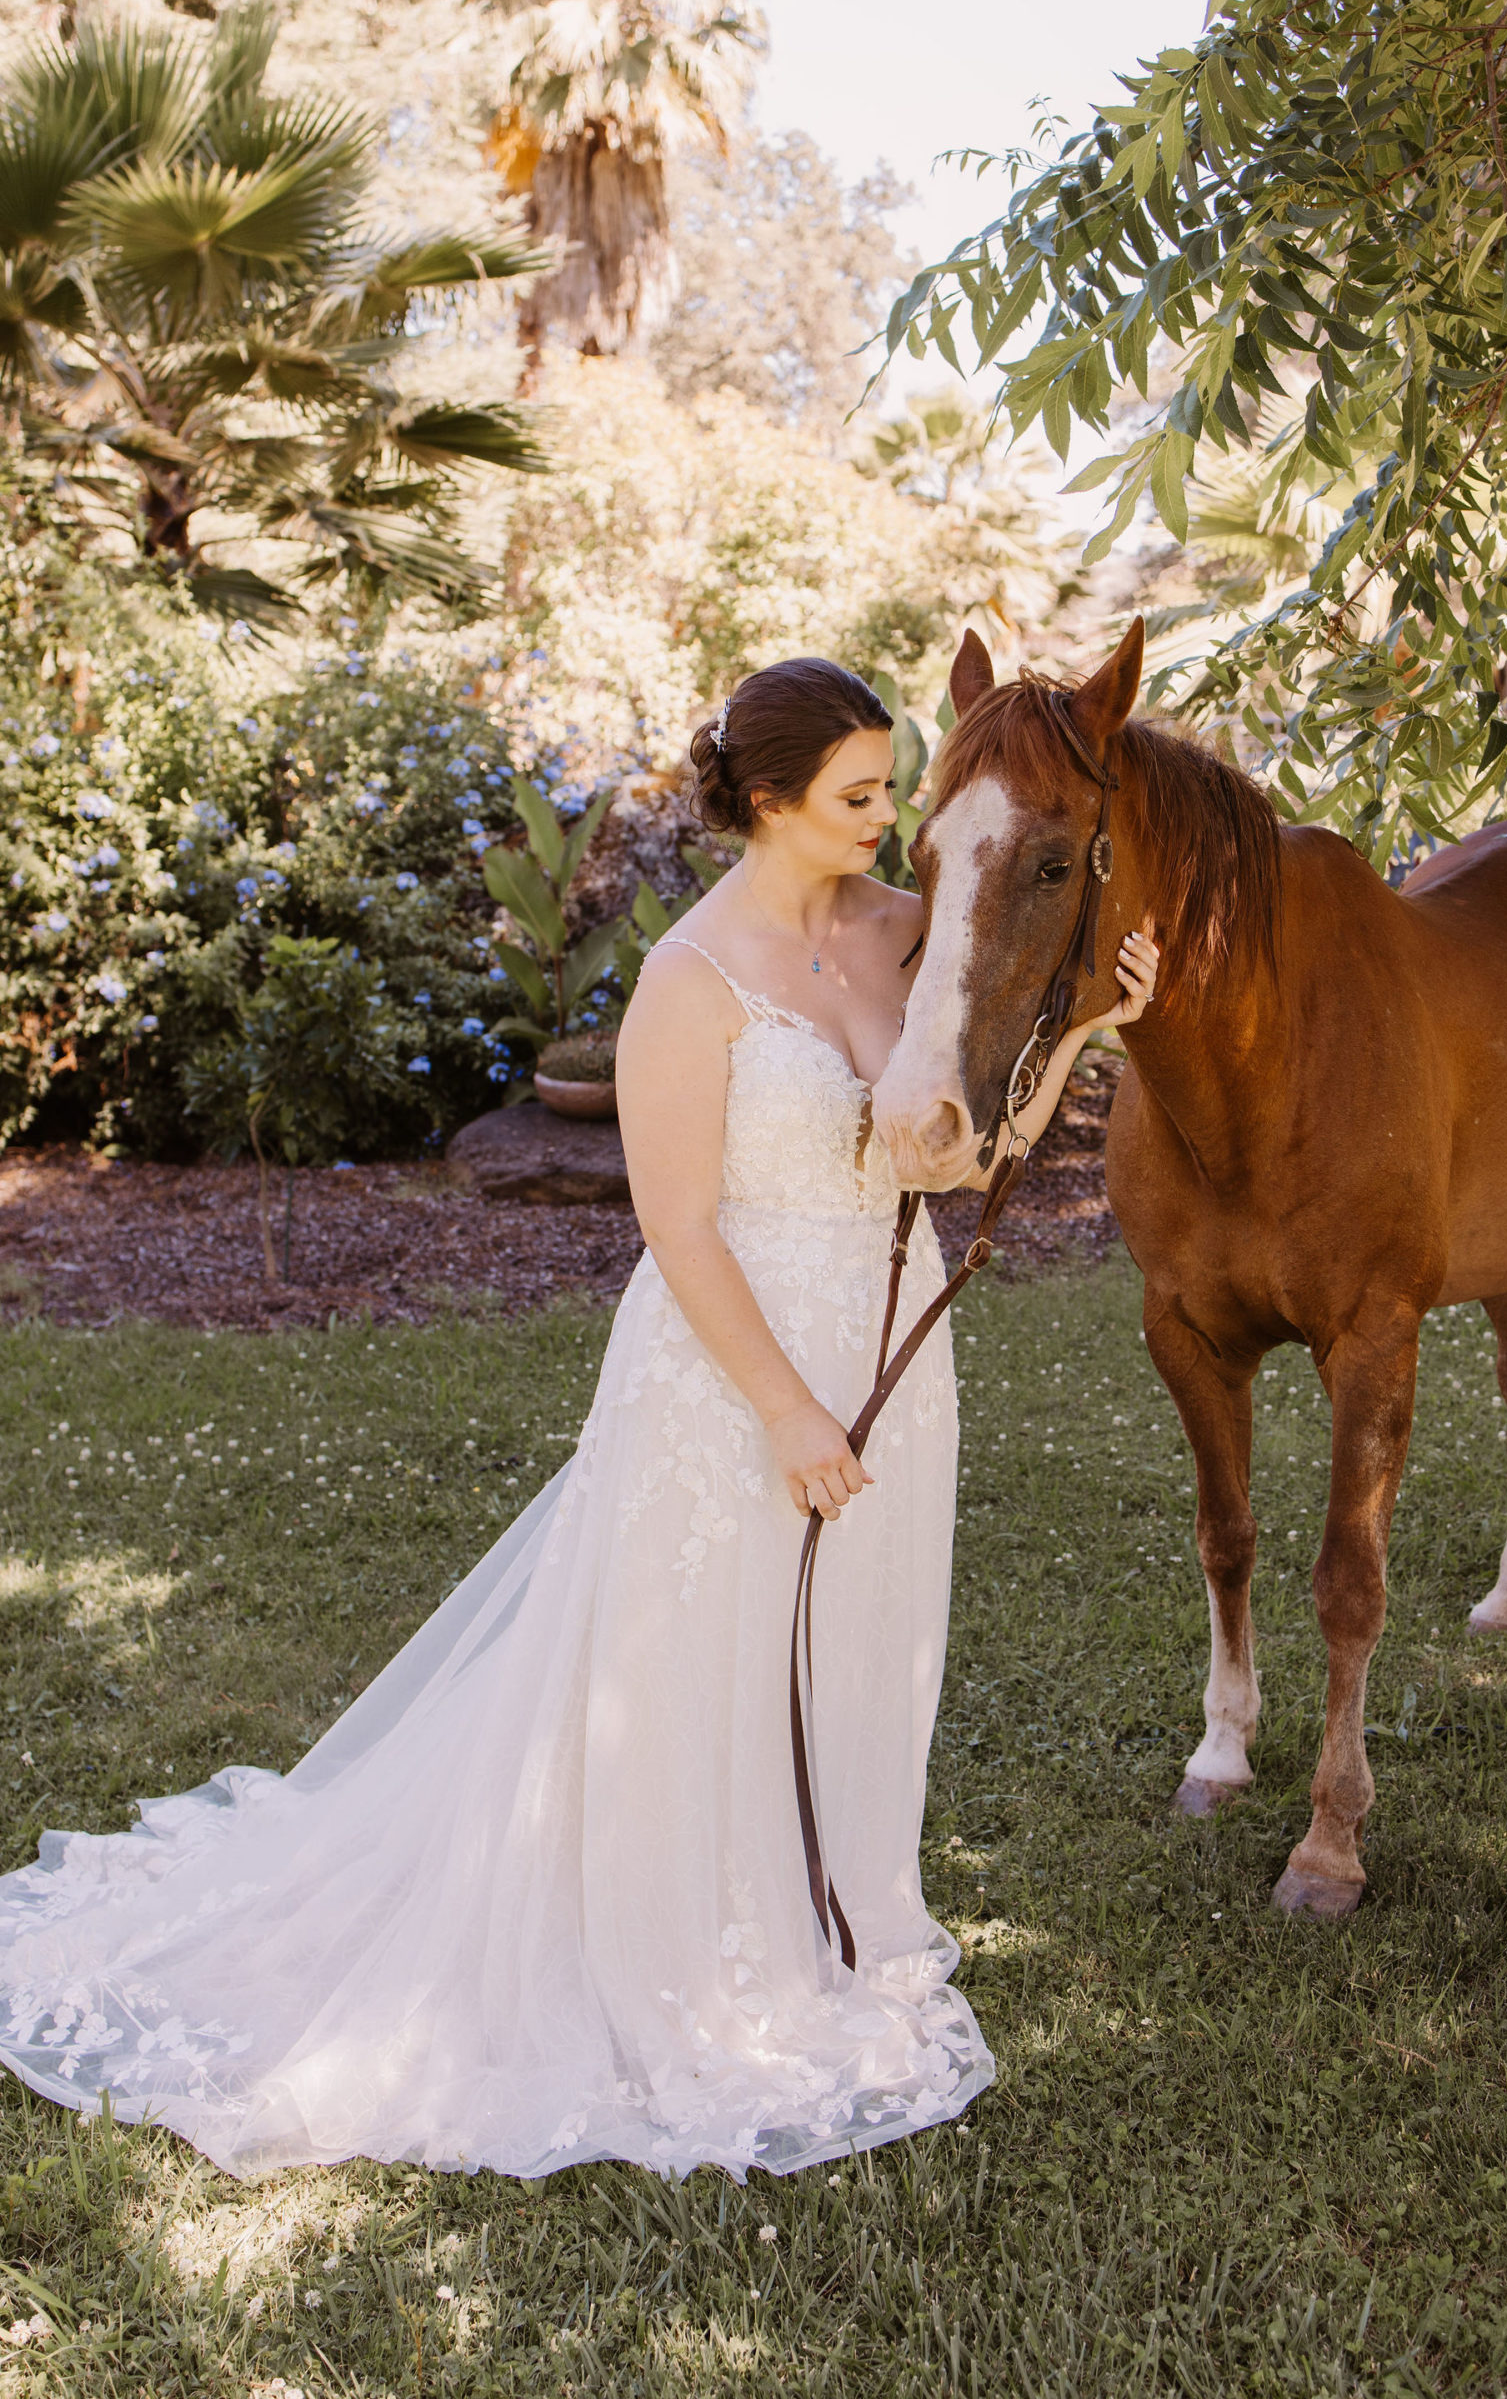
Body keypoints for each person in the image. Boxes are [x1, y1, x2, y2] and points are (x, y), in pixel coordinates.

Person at [0, 659, 1158, 2181]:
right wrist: (791, 1410)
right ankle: (683, 1944)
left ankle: (826, 1910)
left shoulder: (905, 936)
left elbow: (949, 1157)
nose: (890, 819)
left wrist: (1084, 1038)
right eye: (861, 794)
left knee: (859, 1636)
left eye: (892, 788)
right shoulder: (690, 980)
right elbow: (679, 1230)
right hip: (735, 1369)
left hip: (892, 1353)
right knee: (699, 1656)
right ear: (769, 803)